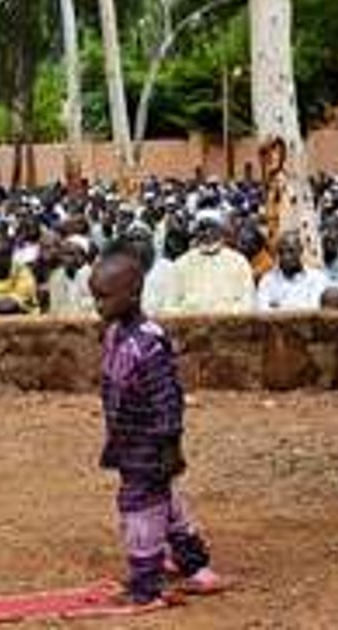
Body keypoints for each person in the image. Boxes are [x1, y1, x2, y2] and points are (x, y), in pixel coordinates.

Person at [88, 244, 224, 609]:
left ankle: (145, 585)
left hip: (151, 441)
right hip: (129, 439)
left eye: (104, 298)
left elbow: (168, 400)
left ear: (132, 295)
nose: (97, 306)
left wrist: (169, 445)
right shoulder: (116, 335)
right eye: (94, 298)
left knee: (140, 507)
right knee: (164, 502)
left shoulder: (148, 343)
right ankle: (196, 568)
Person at [168, 212, 254, 313]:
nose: (207, 233)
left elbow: (248, 303)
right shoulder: (181, 264)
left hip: (229, 325)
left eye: (212, 228)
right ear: (196, 233)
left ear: (221, 231)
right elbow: (171, 304)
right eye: (202, 228)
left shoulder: (238, 262)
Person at [255, 232, 329, 312]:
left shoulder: (316, 278)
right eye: (281, 252)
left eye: (291, 251)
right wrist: (300, 306)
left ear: (301, 250)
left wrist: (279, 307)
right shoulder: (267, 281)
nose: (286, 257)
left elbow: (314, 309)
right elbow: (263, 312)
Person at [47, 235, 93, 316]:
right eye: (63, 254)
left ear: (82, 257)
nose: (65, 258)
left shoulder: (92, 276)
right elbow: (54, 308)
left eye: (70, 254)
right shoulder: (56, 276)